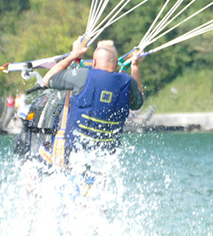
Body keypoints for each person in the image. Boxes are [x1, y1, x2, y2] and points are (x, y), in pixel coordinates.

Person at [41, 37, 144, 167]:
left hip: (74, 152)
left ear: (94, 62)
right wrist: (135, 67)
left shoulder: (84, 76)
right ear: (116, 65)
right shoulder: (128, 82)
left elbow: (47, 79)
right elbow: (138, 103)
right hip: (105, 157)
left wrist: (73, 56)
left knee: (41, 150)